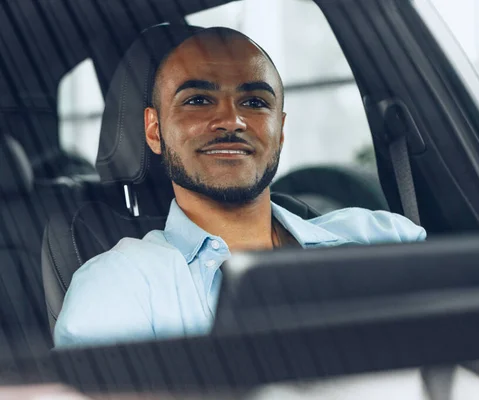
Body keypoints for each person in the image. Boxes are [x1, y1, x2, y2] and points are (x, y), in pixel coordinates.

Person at [53, 26, 426, 348]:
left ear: (280, 131)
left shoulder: (382, 239)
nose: (231, 120)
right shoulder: (119, 287)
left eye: (254, 101)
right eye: (198, 100)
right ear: (154, 130)